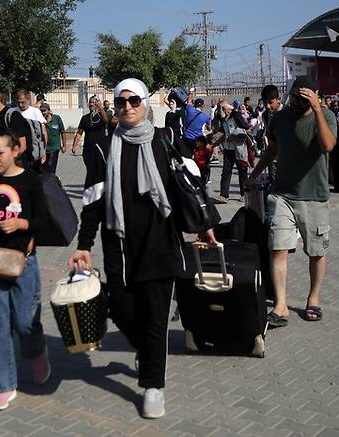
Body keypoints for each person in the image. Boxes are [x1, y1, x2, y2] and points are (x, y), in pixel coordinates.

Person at [68, 78, 217, 419]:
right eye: (120, 103)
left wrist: (204, 224)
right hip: (120, 245)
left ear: (146, 103)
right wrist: (84, 244)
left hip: (161, 241)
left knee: (155, 318)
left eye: (134, 101)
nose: (127, 107)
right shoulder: (104, 146)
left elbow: (187, 187)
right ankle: (148, 352)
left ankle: (153, 385)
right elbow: (91, 201)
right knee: (121, 308)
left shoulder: (164, 140)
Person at [0, 127, 51, 411]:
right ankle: (4, 386)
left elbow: (44, 221)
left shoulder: (30, 180)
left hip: (24, 262)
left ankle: (37, 352)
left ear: (15, 150)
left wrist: (21, 224)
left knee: (25, 322)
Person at [245, 75, 337, 327]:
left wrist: (317, 109)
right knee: (278, 247)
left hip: (314, 196)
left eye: (303, 97)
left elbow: (328, 146)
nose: (295, 102)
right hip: (282, 194)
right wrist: (253, 175)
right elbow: (272, 150)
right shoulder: (280, 118)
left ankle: (313, 298)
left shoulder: (326, 117)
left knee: (317, 251)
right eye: (294, 96)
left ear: (315, 95)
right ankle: (281, 305)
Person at [0, 84, 32, 167]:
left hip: (19, 165)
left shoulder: (13, 115)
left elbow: (23, 145)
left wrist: (7, 161)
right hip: (3, 166)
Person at [212, 100, 251, 204]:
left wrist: (235, 134)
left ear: (226, 109)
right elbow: (222, 134)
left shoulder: (236, 116)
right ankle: (224, 195)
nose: (219, 111)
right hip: (228, 149)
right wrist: (212, 144)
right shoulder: (223, 119)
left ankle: (244, 194)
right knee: (226, 172)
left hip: (239, 149)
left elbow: (248, 129)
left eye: (221, 108)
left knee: (242, 172)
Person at [72, 96, 108, 167]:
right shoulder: (85, 118)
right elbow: (79, 133)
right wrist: (74, 145)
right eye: (90, 102)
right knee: (90, 171)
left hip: (100, 149)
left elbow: (106, 120)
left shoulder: (101, 116)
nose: (91, 104)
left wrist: (100, 108)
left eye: (94, 102)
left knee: (100, 172)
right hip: (88, 150)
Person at [40, 103, 66, 174]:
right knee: (43, 168)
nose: (42, 113)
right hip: (44, 149)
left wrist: (64, 145)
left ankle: (52, 180)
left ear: (49, 110)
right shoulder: (40, 120)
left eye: (44, 110)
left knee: (51, 166)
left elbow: (63, 132)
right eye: (41, 111)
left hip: (54, 148)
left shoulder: (57, 118)